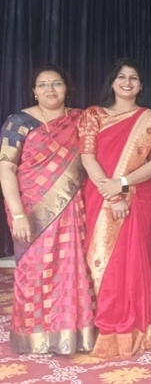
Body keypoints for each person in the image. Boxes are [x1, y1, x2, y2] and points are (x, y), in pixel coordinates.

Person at [79, 58, 151, 358]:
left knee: (133, 259)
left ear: (141, 85)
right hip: (100, 194)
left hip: (139, 195)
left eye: (133, 77)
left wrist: (121, 184)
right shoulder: (94, 115)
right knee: (105, 258)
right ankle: (107, 326)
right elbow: (88, 156)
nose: (127, 82)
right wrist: (111, 194)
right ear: (112, 82)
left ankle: (135, 326)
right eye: (121, 76)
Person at [0, 65, 95, 354]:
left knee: (71, 271)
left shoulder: (81, 120)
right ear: (34, 91)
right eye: (43, 84)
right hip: (31, 211)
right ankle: (36, 336)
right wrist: (18, 214)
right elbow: (6, 168)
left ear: (67, 88)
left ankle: (74, 334)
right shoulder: (18, 122)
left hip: (72, 208)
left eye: (56, 83)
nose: (50, 89)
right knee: (34, 271)